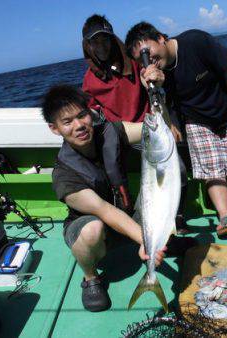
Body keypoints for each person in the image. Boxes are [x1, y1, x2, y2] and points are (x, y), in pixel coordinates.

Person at [125, 22, 227, 237]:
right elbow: (162, 108)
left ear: (161, 38)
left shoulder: (196, 41)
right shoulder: (157, 76)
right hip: (196, 121)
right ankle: (224, 216)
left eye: (148, 52)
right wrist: (155, 89)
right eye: (141, 59)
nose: (149, 61)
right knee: (212, 171)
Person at [42, 85, 165, 312]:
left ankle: (164, 241)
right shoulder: (64, 176)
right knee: (92, 229)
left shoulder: (111, 132)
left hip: (129, 217)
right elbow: (106, 211)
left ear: (90, 113)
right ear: (54, 128)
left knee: (168, 184)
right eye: (67, 122)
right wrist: (146, 241)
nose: (79, 126)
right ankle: (90, 279)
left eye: (82, 116)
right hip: (100, 233)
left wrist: (158, 94)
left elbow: (154, 127)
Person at [81, 14, 190, 233]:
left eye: (105, 39)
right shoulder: (89, 81)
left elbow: (157, 93)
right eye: (95, 42)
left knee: (177, 169)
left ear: (113, 40)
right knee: (102, 170)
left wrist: (169, 119)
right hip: (117, 135)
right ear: (88, 46)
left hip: (146, 130)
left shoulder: (134, 62)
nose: (101, 46)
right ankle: (127, 216)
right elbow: (92, 114)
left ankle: (175, 216)